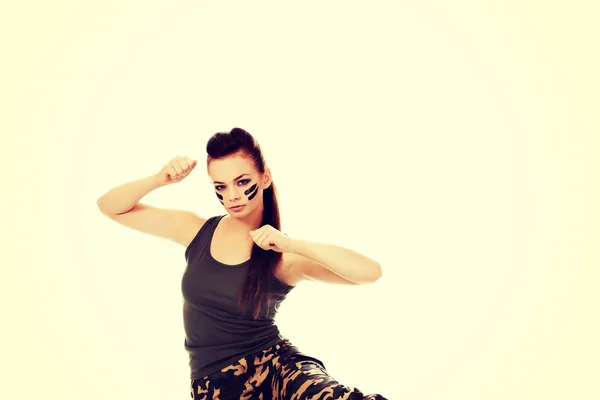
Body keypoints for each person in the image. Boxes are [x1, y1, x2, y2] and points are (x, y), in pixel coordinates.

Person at [96, 127, 388, 399]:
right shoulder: (195, 230)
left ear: (265, 178)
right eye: (220, 186)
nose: (232, 196)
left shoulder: (283, 256)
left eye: (242, 181)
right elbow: (109, 206)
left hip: (278, 370)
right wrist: (159, 179)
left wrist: (294, 244)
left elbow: (370, 272)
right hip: (214, 386)